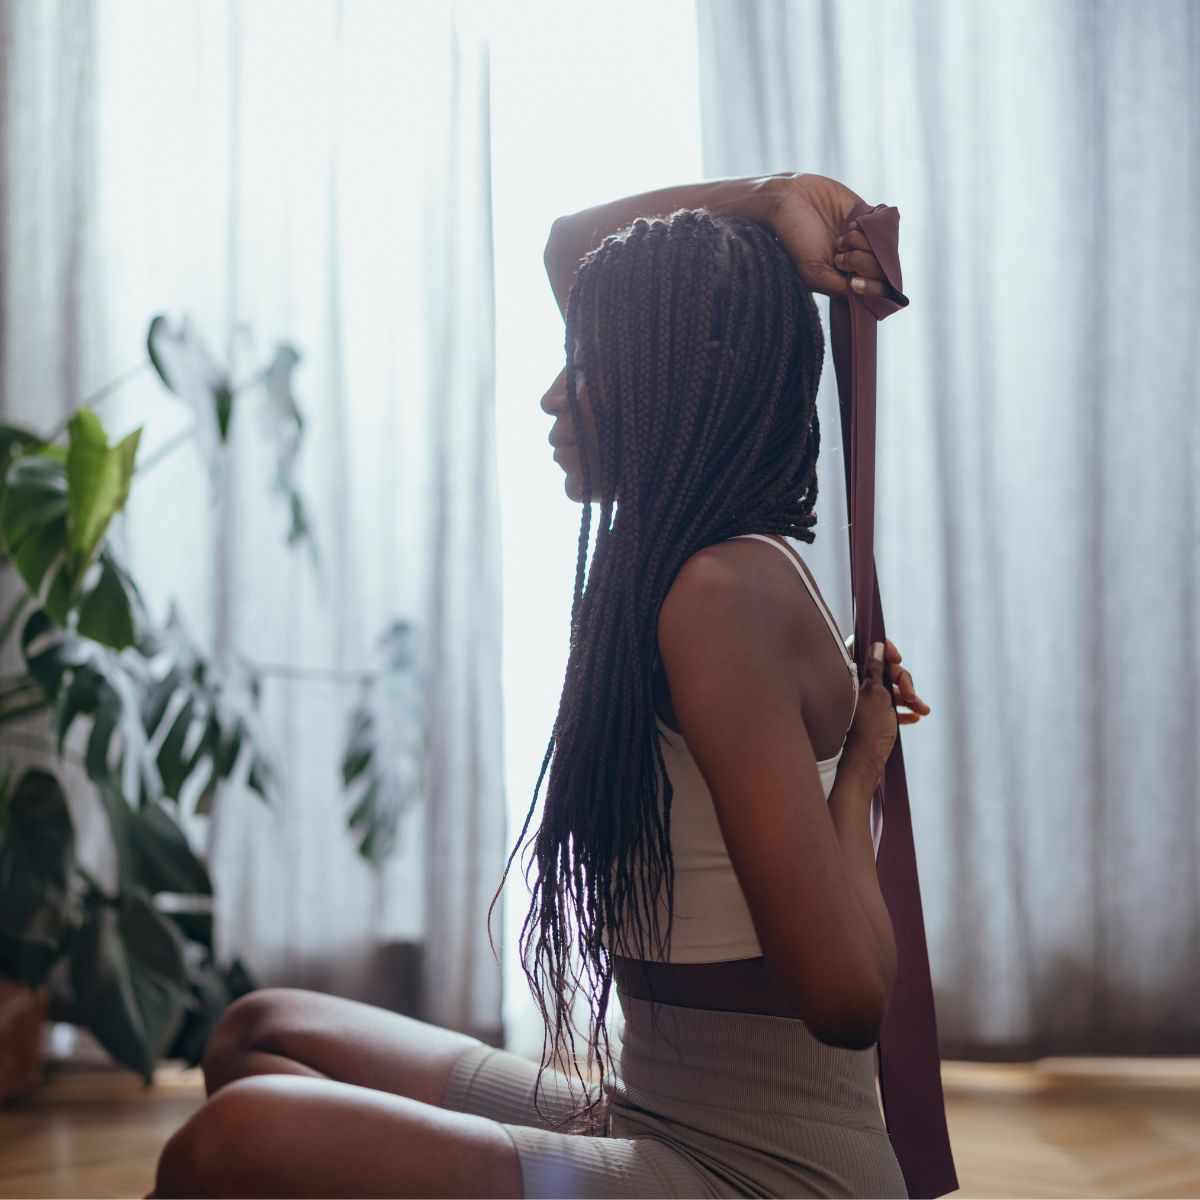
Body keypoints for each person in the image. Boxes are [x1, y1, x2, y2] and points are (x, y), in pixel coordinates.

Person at [147, 172, 930, 1199]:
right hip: (653, 1109)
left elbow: (846, 1002)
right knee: (263, 1034)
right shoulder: (703, 551)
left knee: (232, 1144)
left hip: (758, 1171)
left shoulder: (719, 594)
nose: (556, 392)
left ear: (679, 382)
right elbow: (575, 248)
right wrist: (776, 195)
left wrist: (861, 780)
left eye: (587, 363)